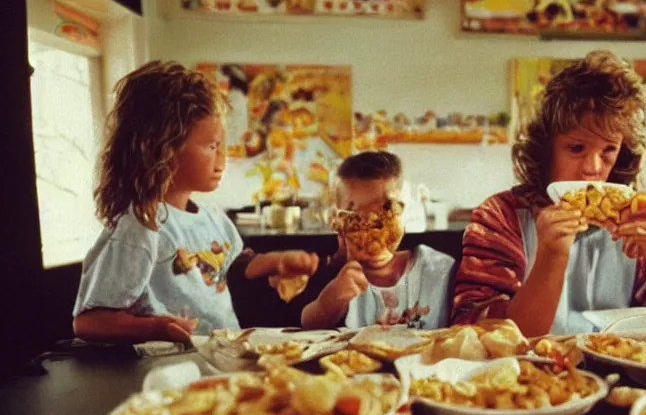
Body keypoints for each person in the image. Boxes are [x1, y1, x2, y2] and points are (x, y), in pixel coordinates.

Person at [452, 51, 646, 337]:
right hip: (521, 377)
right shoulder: (500, 217)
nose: (592, 169)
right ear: (546, 150)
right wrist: (551, 256)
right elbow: (478, 333)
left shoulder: (635, 216)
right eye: (576, 148)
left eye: (609, 150)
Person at [72, 61, 318, 344]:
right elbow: (90, 321)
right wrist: (155, 328)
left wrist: (276, 261)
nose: (222, 159)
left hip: (217, 359)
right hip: (165, 370)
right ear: (161, 147)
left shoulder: (214, 218)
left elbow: (230, 269)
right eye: (211, 146)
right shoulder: (140, 228)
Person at [301, 151, 455, 330]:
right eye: (355, 218)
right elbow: (308, 325)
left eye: (383, 215)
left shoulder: (440, 271)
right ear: (338, 224)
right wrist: (329, 303)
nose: (370, 231)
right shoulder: (337, 275)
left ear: (402, 214)